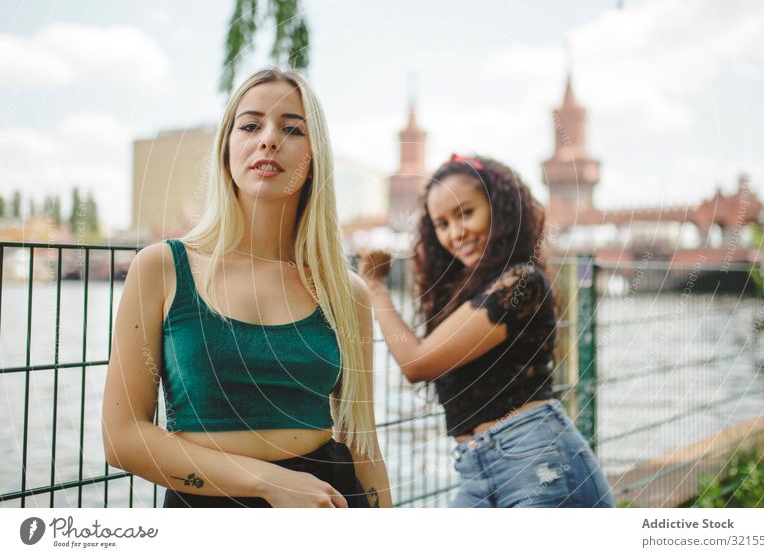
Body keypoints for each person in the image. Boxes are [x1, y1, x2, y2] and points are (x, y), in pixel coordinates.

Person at [103, 68, 391, 508]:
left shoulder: (345, 292)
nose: (269, 139)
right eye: (251, 125)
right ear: (227, 148)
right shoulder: (162, 268)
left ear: (314, 157)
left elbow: (362, 442)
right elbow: (121, 439)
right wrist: (268, 481)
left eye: (292, 128)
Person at [358, 154, 613, 508]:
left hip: (537, 461)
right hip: (477, 468)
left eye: (466, 213)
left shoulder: (519, 282)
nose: (454, 233)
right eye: (442, 224)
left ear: (501, 210)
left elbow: (416, 363)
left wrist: (374, 287)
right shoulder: (476, 290)